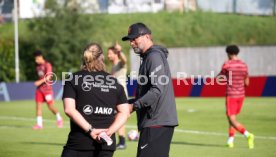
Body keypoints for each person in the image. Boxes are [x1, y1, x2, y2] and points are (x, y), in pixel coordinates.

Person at [61, 43, 130, 157]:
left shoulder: (73, 79)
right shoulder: (115, 82)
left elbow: (69, 110)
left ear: (84, 57)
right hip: (106, 145)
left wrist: (91, 130)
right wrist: (108, 132)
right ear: (102, 58)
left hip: (79, 144)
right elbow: (125, 112)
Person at [122, 22, 178, 157]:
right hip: (154, 122)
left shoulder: (154, 57)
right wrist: (127, 102)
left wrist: (133, 106)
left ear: (147, 36)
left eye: (134, 38)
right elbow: (146, 92)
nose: (131, 43)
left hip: (156, 121)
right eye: (130, 39)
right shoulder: (148, 57)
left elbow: (156, 90)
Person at [217, 45, 254, 149]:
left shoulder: (227, 64)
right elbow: (247, 83)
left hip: (231, 95)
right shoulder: (244, 65)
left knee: (231, 119)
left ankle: (248, 135)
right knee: (232, 117)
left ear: (228, 53)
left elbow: (219, 78)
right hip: (241, 95)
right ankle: (230, 140)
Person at [33, 50, 63, 130]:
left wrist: (39, 82)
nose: (35, 60)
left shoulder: (47, 65)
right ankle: (39, 124)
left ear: (40, 57)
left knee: (50, 106)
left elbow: (49, 77)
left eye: (36, 59)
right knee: (38, 107)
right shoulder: (37, 66)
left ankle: (59, 118)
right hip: (39, 90)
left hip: (47, 90)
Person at [107, 42, 128, 150]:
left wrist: (120, 51)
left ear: (116, 54)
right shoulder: (113, 67)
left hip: (121, 94)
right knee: (116, 117)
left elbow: (125, 60)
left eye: (110, 53)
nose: (108, 55)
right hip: (114, 94)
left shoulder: (120, 63)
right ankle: (120, 141)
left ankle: (122, 141)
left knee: (119, 117)